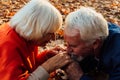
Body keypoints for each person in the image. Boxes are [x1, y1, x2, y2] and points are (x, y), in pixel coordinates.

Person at [0, 0, 72, 80]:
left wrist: (46, 57)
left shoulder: (26, 36)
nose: (53, 38)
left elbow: (26, 66)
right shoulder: (9, 46)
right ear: (37, 28)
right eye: (50, 33)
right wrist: (48, 66)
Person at [63, 6, 120, 80]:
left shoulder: (117, 53)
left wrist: (80, 77)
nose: (67, 50)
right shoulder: (94, 32)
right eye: (67, 43)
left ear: (95, 43)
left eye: (73, 46)